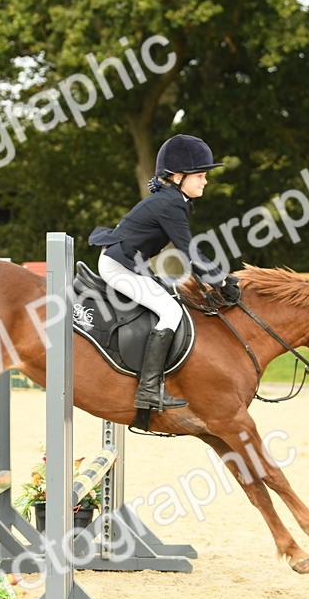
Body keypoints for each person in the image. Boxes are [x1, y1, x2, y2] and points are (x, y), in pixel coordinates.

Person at [89, 134, 241, 412]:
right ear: (178, 176)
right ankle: (148, 390)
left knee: (170, 301)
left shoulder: (173, 199)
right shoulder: (170, 203)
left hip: (129, 263)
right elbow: (189, 251)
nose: (205, 181)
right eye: (200, 175)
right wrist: (221, 280)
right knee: (170, 312)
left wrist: (219, 277)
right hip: (118, 267)